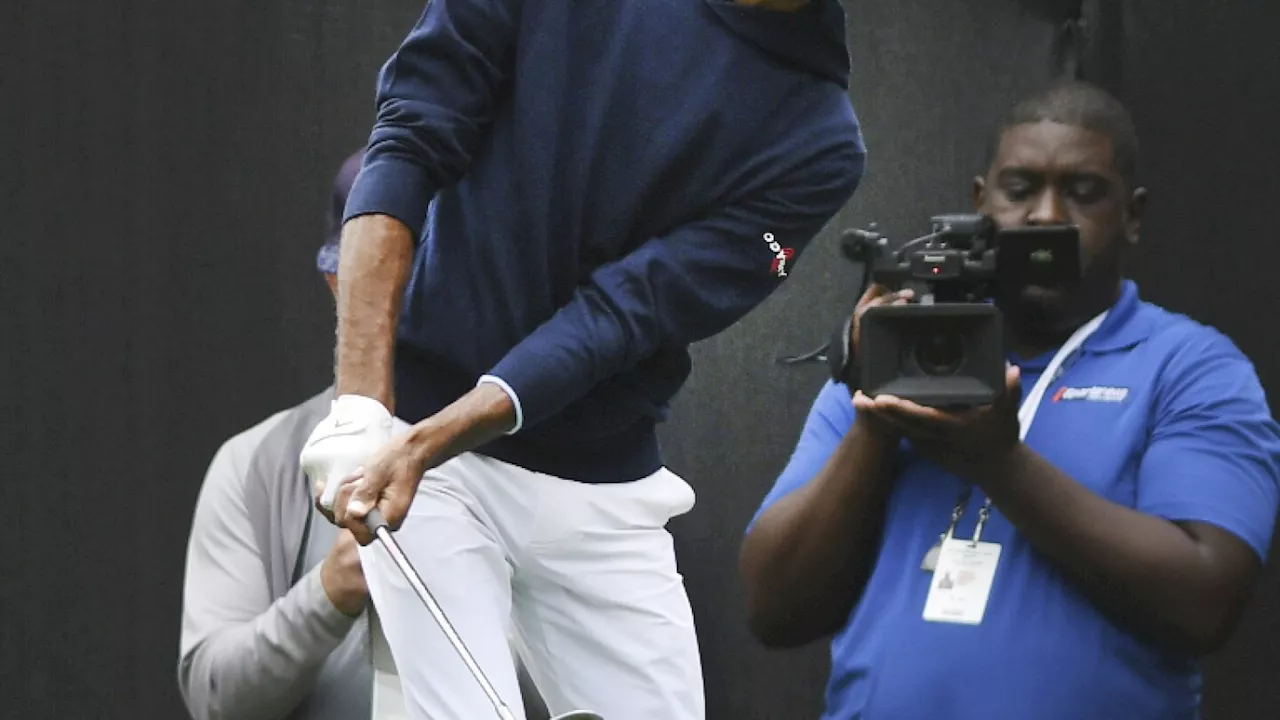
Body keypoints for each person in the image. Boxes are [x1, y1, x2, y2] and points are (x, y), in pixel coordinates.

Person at [295, 0, 868, 718]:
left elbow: (629, 309)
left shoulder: (819, 140)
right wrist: (361, 412)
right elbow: (411, 133)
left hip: (594, 481)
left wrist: (427, 440)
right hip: (423, 447)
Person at [739, 80, 1280, 719]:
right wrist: (878, 422)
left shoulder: (1191, 368)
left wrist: (998, 462)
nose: (1047, 215)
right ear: (980, 202)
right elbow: (774, 611)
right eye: (1020, 189)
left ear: (1132, 215)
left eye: (1082, 192)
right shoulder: (899, 350)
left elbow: (1205, 602)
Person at [176, 151, 548, 720]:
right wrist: (329, 592)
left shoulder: (551, 453)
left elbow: (602, 682)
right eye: (381, 272)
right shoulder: (258, 464)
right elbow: (213, 697)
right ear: (336, 282)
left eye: (437, 274)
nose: (412, 300)